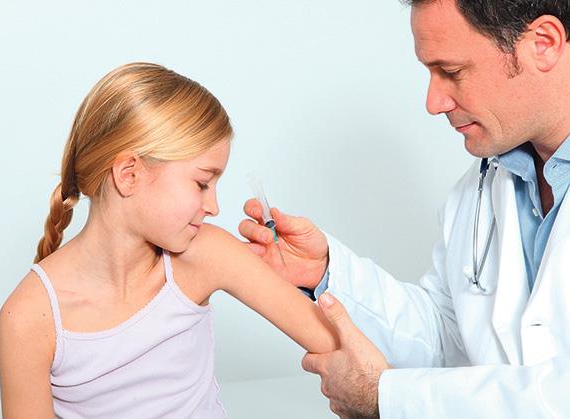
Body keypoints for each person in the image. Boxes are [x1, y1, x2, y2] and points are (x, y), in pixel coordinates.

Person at [239, 0, 570, 417]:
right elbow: (448, 337)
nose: (434, 102)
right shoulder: (482, 187)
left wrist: (386, 397)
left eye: (452, 72)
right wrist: (323, 273)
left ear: (543, 44)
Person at [0, 62, 338, 418]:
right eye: (202, 183)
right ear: (129, 175)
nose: (214, 207)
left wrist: (318, 274)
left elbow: (345, 349)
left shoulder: (205, 254)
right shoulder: (28, 317)